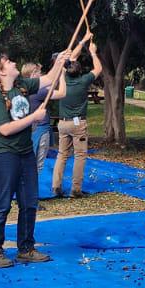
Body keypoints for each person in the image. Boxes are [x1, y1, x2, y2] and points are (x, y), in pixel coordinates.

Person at [0, 50, 70, 269]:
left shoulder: (21, 85)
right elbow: (5, 129)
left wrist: (59, 61)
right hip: (2, 155)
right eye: (8, 62)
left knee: (29, 202)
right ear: (0, 72)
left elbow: (48, 79)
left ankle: (26, 248)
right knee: (2, 204)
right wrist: (34, 117)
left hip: (24, 153)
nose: (13, 62)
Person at [52, 43, 103, 199]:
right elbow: (98, 69)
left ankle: (56, 186)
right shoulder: (83, 80)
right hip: (78, 124)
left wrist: (82, 42)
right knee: (80, 155)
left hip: (62, 124)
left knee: (62, 154)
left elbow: (71, 58)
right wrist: (93, 52)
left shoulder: (63, 78)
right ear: (80, 70)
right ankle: (75, 189)